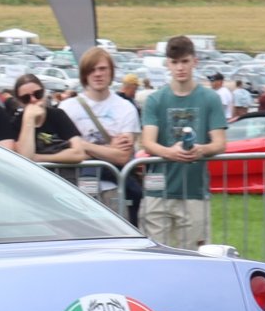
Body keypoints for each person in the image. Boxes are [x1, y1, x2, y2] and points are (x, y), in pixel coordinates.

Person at [138, 35, 228, 249]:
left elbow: (220, 143)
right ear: (167, 64)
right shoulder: (155, 99)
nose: (180, 68)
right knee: (155, 257)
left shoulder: (210, 98)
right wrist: (170, 152)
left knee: (194, 258)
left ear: (194, 61)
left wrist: (201, 149)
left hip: (194, 192)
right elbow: (148, 142)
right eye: (175, 62)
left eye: (185, 61)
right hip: (158, 191)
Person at [59, 47, 142, 220]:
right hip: (75, 189)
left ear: (111, 72)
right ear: (84, 74)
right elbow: (64, 151)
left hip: (113, 189)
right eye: (92, 70)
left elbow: (122, 156)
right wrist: (108, 149)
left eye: (102, 69)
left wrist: (82, 145)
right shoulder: (67, 108)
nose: (97, 74)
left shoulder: (125, 108)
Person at [10, 73, 88, 174]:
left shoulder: (58, 115)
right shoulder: (15, 123)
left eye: (38, 94)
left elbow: (79, 153)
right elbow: (26, 157)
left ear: (44, 92)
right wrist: (29, 119)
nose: (33, 100)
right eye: (26, 98)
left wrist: (39, 158)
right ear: (19, 102)